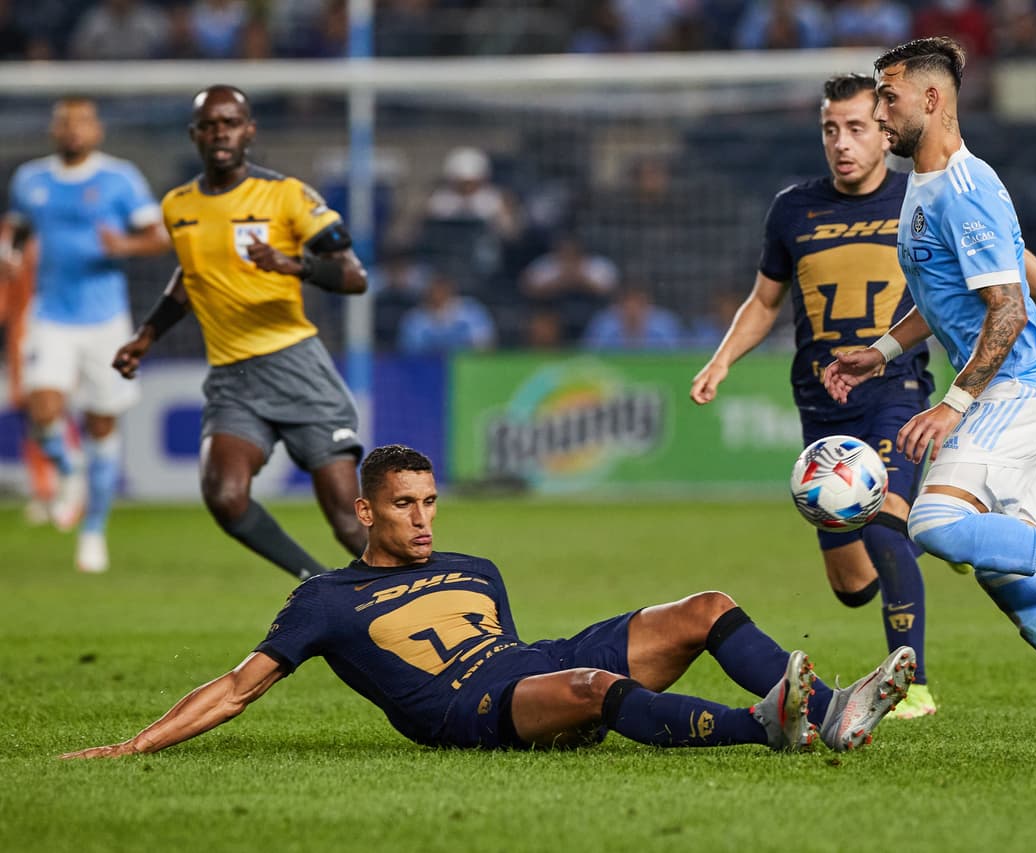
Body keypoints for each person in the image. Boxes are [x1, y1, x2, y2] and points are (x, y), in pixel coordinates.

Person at [691, 72, 1036, 722]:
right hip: (822, 396)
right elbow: (765, 301)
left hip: (898, 386)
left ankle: (913, 683)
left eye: (857, 126)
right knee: (853, 583)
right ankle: (966, 532)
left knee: (889, 519)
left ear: (885, 132)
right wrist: (720, 361)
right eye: (830, 129)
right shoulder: (793, 209)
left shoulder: (925, 195)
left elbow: (1009, 259)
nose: (843, 142)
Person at [60, 444, 917, 758]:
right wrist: (137, 742)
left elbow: (507, 645)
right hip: (467, 707)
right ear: (365, 511)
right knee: (590, 687)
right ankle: (769, 727)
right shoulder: (325, 599)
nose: (424, 519)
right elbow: (237, 686)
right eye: (405, 505)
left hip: (524, 665)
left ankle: (831, 708)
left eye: (430, 501)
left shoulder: (476, 566)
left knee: (705, 605)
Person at [824, 36, 1036, 743]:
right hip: (1014, 387)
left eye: (887, 97)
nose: (878, 111)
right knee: (1003, 572)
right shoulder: (926, 183)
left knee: (934, 523)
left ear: (931, 99)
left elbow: (1007, 308)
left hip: (1022, 389)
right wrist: (882, 351)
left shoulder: (964, 186)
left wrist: (952, 405)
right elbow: (951, 289)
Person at [112, 85, 368, 581]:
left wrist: (295, 265)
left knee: (348, 522)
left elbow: (355, 277)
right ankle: (316, 585)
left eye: (230, 122)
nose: (220, 132)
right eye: (209, 125)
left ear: (249, 130)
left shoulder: (285, 195)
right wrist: (147, 335)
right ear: (195, 135)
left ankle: (429, 603)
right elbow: (191, 276)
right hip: (233, 378)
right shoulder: (178, 206)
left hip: (296, 366)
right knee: (225, 497)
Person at [0, 96, 170, 572]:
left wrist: (125, 245)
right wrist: (9, 251)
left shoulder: (119, 178)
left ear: (96, 131)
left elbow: (159, 237)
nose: (73, 130)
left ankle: (92, 532)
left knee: (101, 424)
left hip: (105, 323)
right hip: (50, 315)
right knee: (41, 406)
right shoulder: (31, 179)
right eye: (64, 123)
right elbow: (17, 225)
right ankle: (68, 469)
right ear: (54, 130)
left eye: (82, 123)